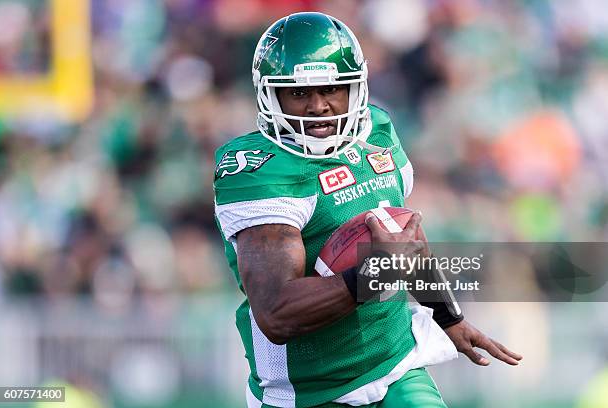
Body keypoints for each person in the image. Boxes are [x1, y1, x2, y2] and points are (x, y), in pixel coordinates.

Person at [213, 12, 521, 408]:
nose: (319, 106)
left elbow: (405, 237)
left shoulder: (376, 132)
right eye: (299, 93)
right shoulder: (260, 172)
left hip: (394, 366)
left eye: (332, 89)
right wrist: (374, 272)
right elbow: (277, 313)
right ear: (271, 96)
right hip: (309, 392)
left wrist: (449, 318)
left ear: (355, 88)